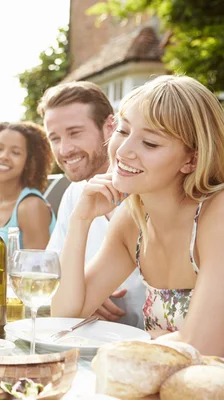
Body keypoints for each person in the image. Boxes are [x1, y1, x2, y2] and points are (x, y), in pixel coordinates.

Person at [51, 75, 224, 357]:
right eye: (122, 130)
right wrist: (80, 221)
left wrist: (118, 353)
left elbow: (202, 345)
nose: (123, 150)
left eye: (150, 143)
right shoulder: (134, 220)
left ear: (191, 159)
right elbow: (66, 315)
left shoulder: (217, 213)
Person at [39, 81, 145, 328]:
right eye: (54, 138)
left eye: (75, 132)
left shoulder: (148, 187)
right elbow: (52, 275)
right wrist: (83, 293)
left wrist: (88, 290)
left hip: (150, 336)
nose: (64, 149)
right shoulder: (75, 193)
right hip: (87, 335)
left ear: (110, 127)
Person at [0, 122, 56, 248]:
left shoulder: (30, 206)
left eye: (15, 152)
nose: (4, 156)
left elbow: (37, 265)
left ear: (29, 162)